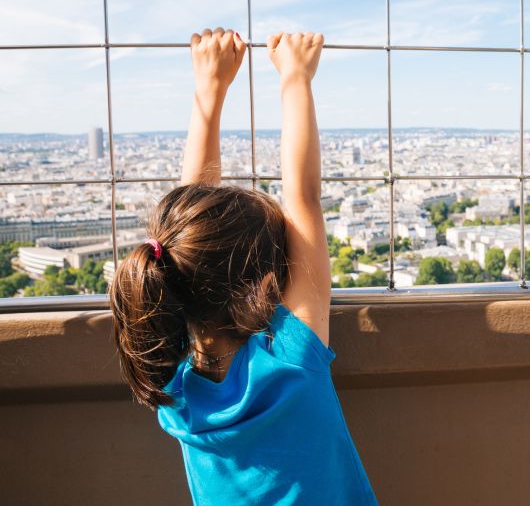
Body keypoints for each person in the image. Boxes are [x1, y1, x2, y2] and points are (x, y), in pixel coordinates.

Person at [108, 27, 379, 505]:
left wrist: (210, 90)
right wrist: (295, 77)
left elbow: (190, 236)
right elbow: (305, 198)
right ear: (270, 280)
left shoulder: (174, 389)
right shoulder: (291, 360)